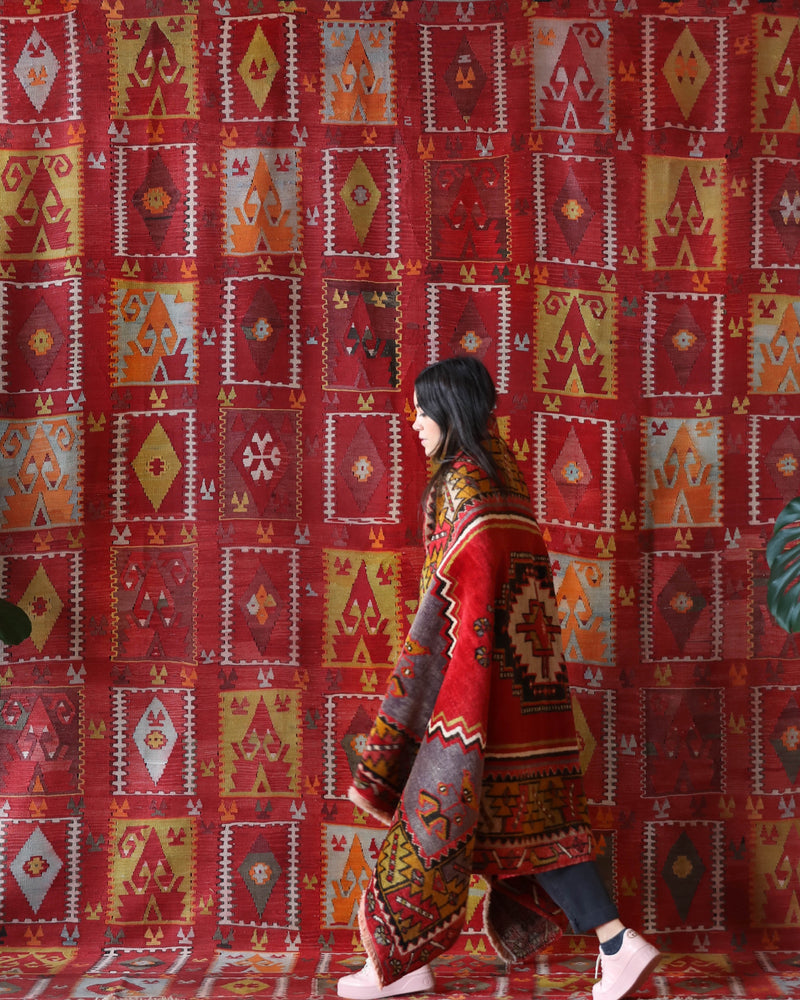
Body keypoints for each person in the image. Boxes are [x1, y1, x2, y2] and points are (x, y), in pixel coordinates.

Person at [337, 356, 660, 1000]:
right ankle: (617, 943)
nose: (416, 422)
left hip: (478, 691)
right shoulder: (503, 472)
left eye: (426, 408)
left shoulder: (458, 482)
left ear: (451, 410)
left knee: (430, 817)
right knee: (535, 828)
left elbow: (460, 594)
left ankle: (392, 966)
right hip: (531, 686)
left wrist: (445, 690)